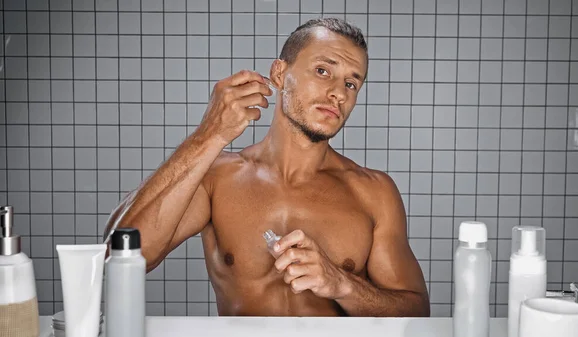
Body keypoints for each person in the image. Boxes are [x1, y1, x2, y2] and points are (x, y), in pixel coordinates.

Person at [103, 17, 430, 317]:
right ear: (279, 74)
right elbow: (116, 257)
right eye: (322, 71)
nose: (337, 94)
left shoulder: (373, 191)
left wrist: (342, 285)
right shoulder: (219, 178)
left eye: (350, 84)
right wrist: (207, 136)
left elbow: (416, 311)